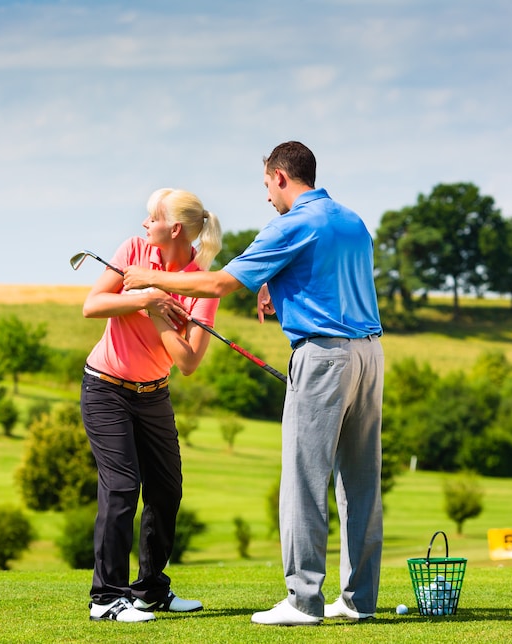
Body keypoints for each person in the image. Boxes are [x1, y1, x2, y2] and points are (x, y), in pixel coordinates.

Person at [123, 141, 384, 626]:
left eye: (267, 184)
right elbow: (326, 275)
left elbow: (220, 284)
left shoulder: (292, 223)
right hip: (370, 355)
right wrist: (274, 285)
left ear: (282, 177)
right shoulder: (351, 220)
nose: (267, 196)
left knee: (304, 481)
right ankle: (358, 600)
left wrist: (149, 280)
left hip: (323, 357)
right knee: (361, 482)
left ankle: (303, 601)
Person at [80, 188, 223, 623]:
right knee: (122, 486)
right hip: (106, 388)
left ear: (174, 228)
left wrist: (158, 303)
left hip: (153, 393)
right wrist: (145, 297)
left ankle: (150, 591)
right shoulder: (134, 250)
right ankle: (106, 598)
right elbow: (93, 305)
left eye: (151, 217)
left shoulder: (202, 284)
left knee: (166, 490)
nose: (144, 224)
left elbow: (188, 362)